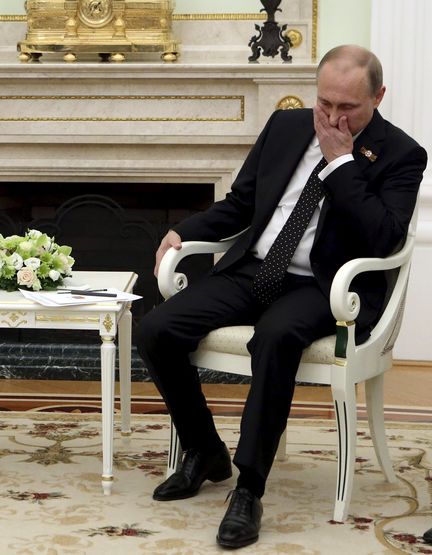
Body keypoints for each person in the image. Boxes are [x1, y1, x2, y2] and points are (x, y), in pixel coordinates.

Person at [136, 45, 427, 549]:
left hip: (327, 285)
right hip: (255, 269)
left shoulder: (403, 154)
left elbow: (384, 238)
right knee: (156, 328)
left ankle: (249, 486)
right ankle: (205, 450)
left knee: (274, 337)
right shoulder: (286, 127)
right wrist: (183, 231)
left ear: (378, 97)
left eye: (348, 108)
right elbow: (241, 204)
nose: (333, 117)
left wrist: (341, 165)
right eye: (325, 104)